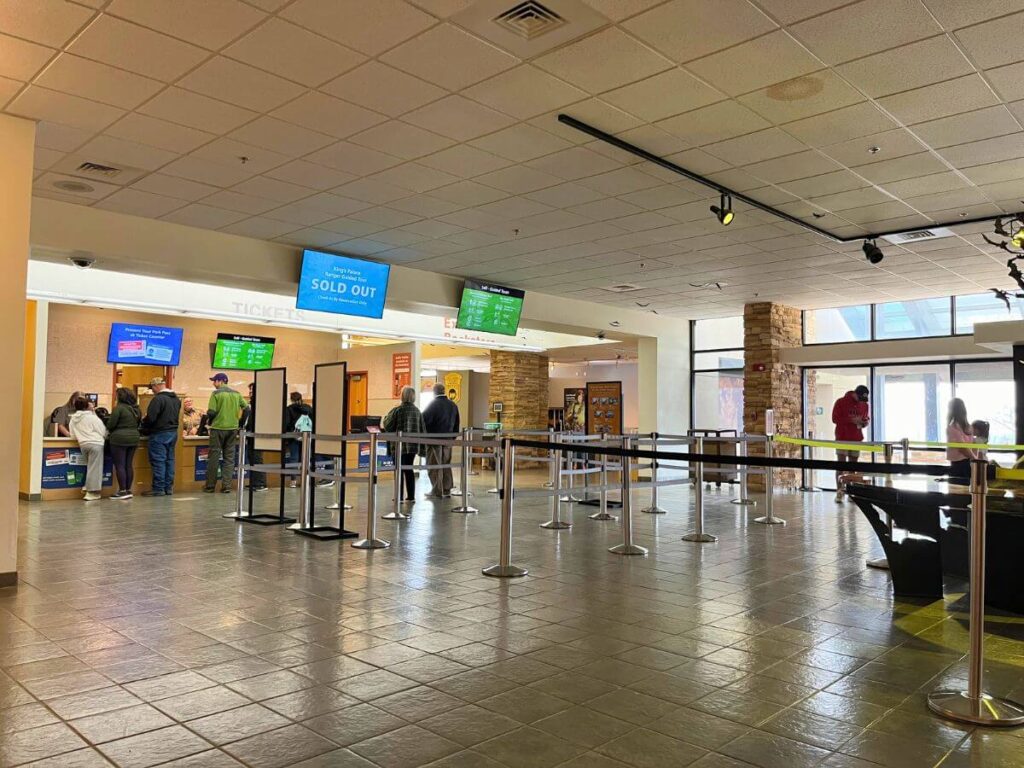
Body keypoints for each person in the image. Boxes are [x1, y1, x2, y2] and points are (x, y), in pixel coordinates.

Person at [204, 373, 249, 494]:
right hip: (232, 429)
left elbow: (212, 412)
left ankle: (210, 486)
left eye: (214, 381)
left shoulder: (216, 393)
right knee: (229, 458)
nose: (213, 384)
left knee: (214, 456)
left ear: (220, 381)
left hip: (218, 429)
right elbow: (247, 408)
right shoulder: (237, 394)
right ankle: (226, 486)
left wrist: (209, 422)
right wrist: (240, 423)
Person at [383, 386, 425, 502]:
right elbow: (422, 428)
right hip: (412, 446)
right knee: (409, 469)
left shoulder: (397, 410)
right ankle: (411, 496)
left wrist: (387, 417)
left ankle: (399, 496)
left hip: (398, 445)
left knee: (398, 470)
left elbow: (387, 425)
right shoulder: (417, 411)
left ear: (402, 396)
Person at [141, 377, 181, 497]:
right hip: (173, 432)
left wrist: (144, 423)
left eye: (152, 388)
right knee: (170, 460)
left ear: (156, 386)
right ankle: (168, 488)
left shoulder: (158, 399)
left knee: (159, 461)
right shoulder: (176, 399)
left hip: (159, 434)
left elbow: (151, 418)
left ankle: (158, 488)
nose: (152, 391)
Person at [831, 385, 870, 502]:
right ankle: (839, 491)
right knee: (841, 465)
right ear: (854, 394)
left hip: (856, 438)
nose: (861, 402)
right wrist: (851, 420)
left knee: (853, 466)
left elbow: (866, 418)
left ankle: (851, 491)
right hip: (842, 437)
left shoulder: (865, 405)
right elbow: (834, 419)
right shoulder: (841, 402)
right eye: (860, 398)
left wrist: (865, 422)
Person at [423, 382, 459, 498]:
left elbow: (424, 420)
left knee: (434, 464)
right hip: (448, 439)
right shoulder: (453, 405)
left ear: (434, 392)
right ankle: (447, 488)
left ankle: (436, 490)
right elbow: (457, 423)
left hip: (434, 440)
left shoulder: (433, 404)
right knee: (445, 464)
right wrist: (452, 437)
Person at [68, 397, 107, 501]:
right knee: (95, 469)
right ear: (87, 406)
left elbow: (72, 435)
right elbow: (102, 431)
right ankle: (92, 493)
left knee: (89, 467)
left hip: (83, 444)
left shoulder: (73, 418)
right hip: (96, 444)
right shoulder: (92, 418)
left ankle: (86, 487)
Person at [105, 387, 141, 499]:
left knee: (120, 465)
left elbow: (111, 425)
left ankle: (122, 491)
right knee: (128, 465)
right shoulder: (137, 409)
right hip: (134, 437)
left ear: (120, 397)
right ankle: (128, 490)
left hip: (119, 439)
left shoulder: (119, 408)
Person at [285, 392, 313, 488]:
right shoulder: (308, 407)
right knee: (306, 458)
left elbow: (287, 423)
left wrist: (287, 433)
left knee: (294, 458)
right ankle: (305, 479)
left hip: (295, 437)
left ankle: (293, 481)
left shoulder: (289, 409)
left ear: (292, 399)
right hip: (307, 436)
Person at [947, 398, 978, 482]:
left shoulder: (953, 427)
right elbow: (972, 445)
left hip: (958, 466)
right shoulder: (968, 427)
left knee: (959, 491)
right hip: (968, 463)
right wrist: (975, 459)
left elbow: (962, 448)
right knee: (967, 489)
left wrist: (975, 459)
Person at [246, 382, 267, 492]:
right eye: (249, 390)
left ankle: (260, 483)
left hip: (257, 434)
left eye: (252, 390)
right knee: (252, 458)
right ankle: (254, 482)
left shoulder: (259, 403)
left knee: (257, 459)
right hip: (251, 434)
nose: (250, 392)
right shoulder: (252, 403)